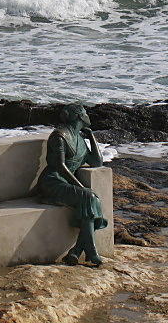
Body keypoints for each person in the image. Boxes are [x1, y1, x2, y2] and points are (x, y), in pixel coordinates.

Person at [36, 103, 107, 266]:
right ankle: (91, 252)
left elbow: (97, 162)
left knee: (92, 200)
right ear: (79, 116)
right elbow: (61, 166)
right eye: (85, 112)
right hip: (52, 182)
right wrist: (80, 187)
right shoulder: (59, 136)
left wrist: (91, 137)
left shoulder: (80, 139)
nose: (88, 115)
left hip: (66, 183)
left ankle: (76, 251)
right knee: (89, 196)